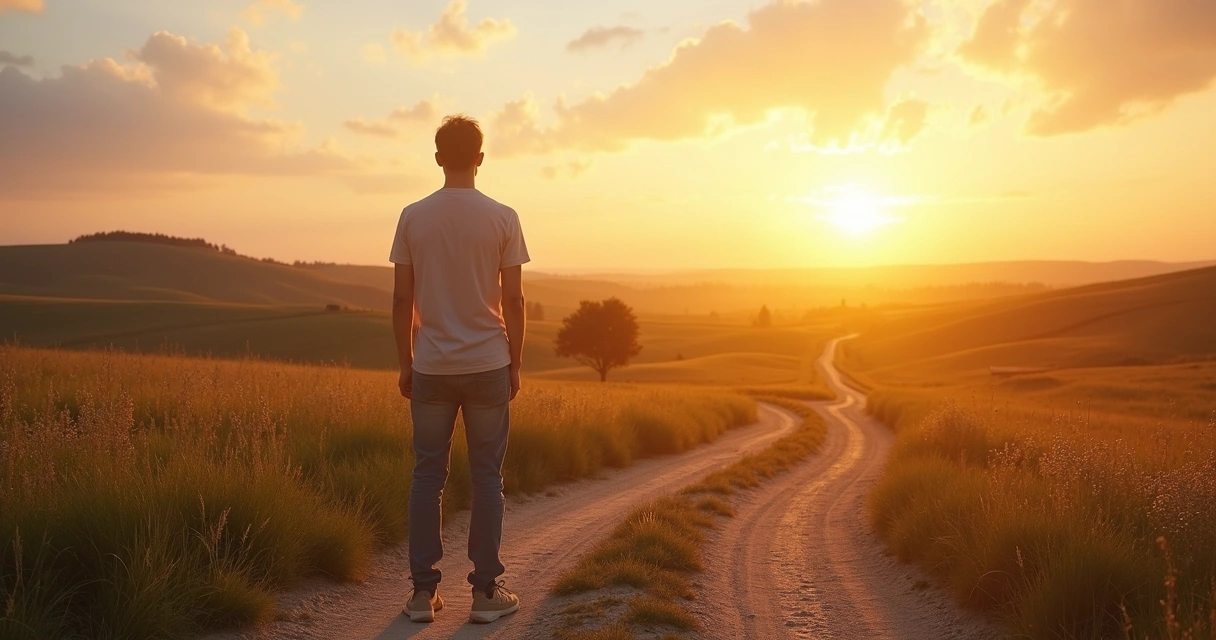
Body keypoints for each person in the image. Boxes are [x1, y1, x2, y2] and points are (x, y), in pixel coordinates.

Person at [389, 114, 529, 624]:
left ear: (437, 157)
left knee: (427, 478)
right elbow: (513, 298)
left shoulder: (412, 216)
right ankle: (487, 593)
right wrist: (515, 363)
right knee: (488, 478)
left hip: (431, 366)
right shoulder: (503, 216)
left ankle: (422, 595)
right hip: (489, 362)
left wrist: (406, 363)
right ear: (481, 158)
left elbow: (403, 297)